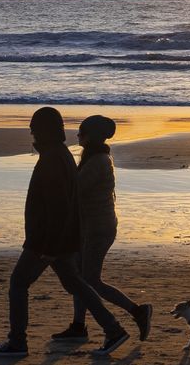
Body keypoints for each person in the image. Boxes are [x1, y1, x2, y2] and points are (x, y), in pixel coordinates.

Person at [0, 107, 130, 359]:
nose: (31, 130)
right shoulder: (61, 155)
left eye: (34, 126)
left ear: (44, 130)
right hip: (60, 239)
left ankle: (17, 342)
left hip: (46, 241)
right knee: (77, 283)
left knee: (18, 283)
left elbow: (58, 206)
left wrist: (49, 248)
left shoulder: (53, 158)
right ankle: (113, 329)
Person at [52, 115, 152, 344]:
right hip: (89, 227)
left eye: (82, 132)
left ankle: (138, 311)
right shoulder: (95, 158)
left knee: (90, 280)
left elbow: (74, 189)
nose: (77, 136)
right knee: (79, 277)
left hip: (98, 229)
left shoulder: (97, 162)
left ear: (91, 136)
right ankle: (78, 326)